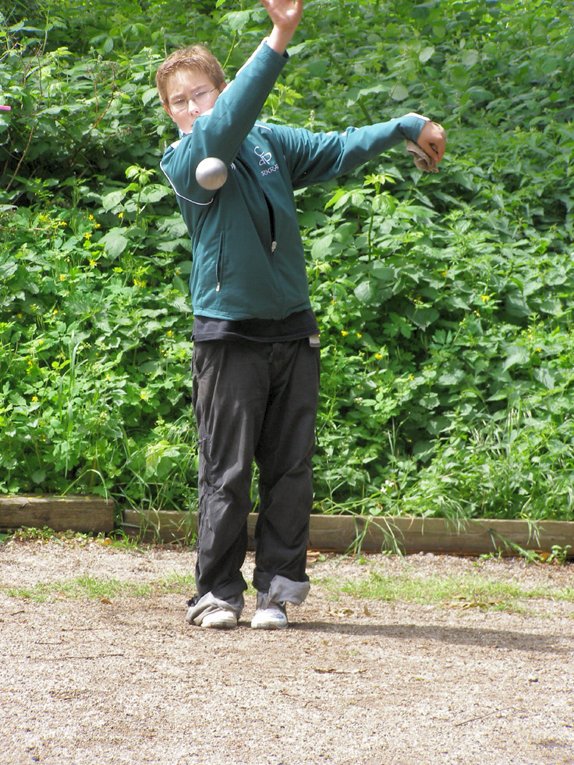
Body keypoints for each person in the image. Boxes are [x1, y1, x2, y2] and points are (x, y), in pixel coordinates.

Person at [156, 0, 446, 630]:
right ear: (170, 113)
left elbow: (337, 149)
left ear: (221, 88)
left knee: (290, 470)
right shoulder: (185, 161)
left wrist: (403, 125)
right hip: (228, 334)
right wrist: (279, 35)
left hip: (292, 329)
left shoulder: (268, 144)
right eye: (178, 101)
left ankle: (278, 591)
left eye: (200, 94)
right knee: (226, 472)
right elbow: (223, 127)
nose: (192, 108)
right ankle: (217, 593)